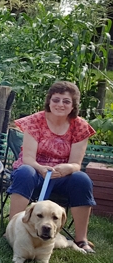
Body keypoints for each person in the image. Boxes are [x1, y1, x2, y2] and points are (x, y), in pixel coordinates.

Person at [6, 81, 96, 253]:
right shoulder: (35, 121)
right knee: (25, 172)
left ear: (73, 105)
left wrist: (67, 168)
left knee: (82, 179)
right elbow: (28, 159)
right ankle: (13, 229)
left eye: (66, 101)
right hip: (34, 170)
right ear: (49, 101)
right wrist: (41, 168)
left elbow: (77, 164)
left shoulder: (80, 126)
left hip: (63, 175)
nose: (60, 104)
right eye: (56, 100)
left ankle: (81, 239)